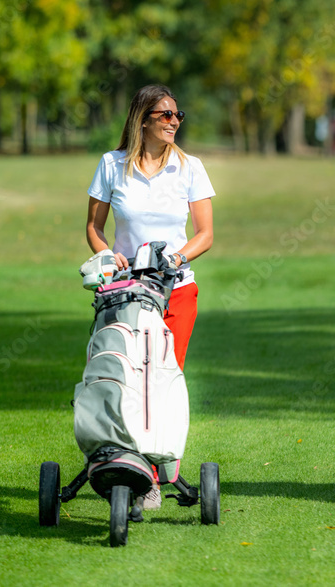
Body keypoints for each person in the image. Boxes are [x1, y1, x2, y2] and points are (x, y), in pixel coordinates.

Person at [85, 84, 215, 509]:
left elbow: (206, 234)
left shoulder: (190, 167)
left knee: (163, 375)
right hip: (125, 292)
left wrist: (175, 257)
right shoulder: (111, 164)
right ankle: (131, 465)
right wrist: (108, 255)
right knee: (124, 374)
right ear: (143, 119)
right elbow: (93, 228)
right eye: (165, 115)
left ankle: (158, 472)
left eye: (178, 116)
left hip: (176, 289)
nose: (174, 122)